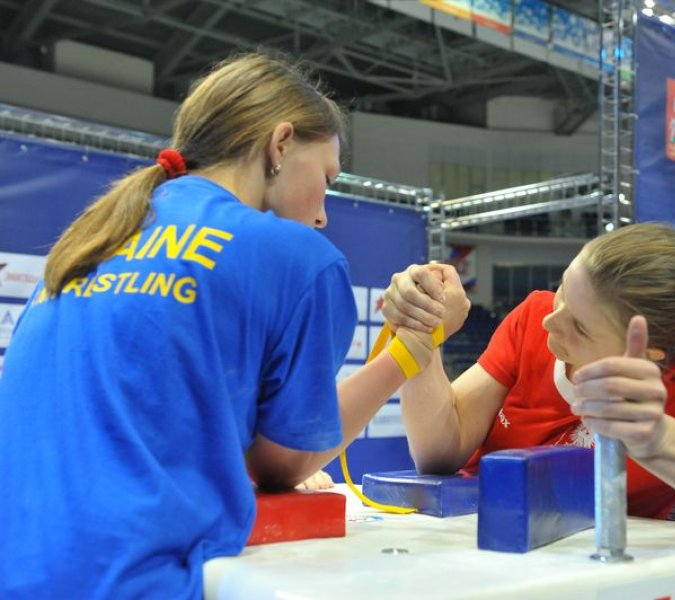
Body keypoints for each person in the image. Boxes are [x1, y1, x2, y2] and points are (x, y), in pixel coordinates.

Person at [0, 52, 435, 599]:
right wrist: (408, 354)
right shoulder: (297, 257)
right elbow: (284, 464)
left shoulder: (88, 244)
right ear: (279, 146)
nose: (324, 214)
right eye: (326, 179)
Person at [382, 222, 675, 547]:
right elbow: (438, 452)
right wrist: (422, 336)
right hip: (475, 554)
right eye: (562, 289)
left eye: (579, 327)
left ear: (649, 351)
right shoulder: (531, 319)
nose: (549, 321)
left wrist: (657, 438)